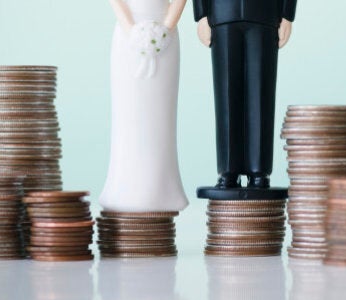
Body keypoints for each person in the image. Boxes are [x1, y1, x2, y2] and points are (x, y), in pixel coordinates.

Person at [193, 0, 297, 189]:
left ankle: (259, 170)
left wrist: (288, 14)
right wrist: (200, 14)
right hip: (222, 13)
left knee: (261, 94)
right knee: (226, 97)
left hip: (265, 14)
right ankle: (228, 169)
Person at [100, 0, 189, 212]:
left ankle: (162, 191)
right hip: (127, 37)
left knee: (160, 119)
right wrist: (133, 32)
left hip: (165, 38)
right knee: (128, 115)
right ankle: (122, 189)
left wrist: (165, 29)